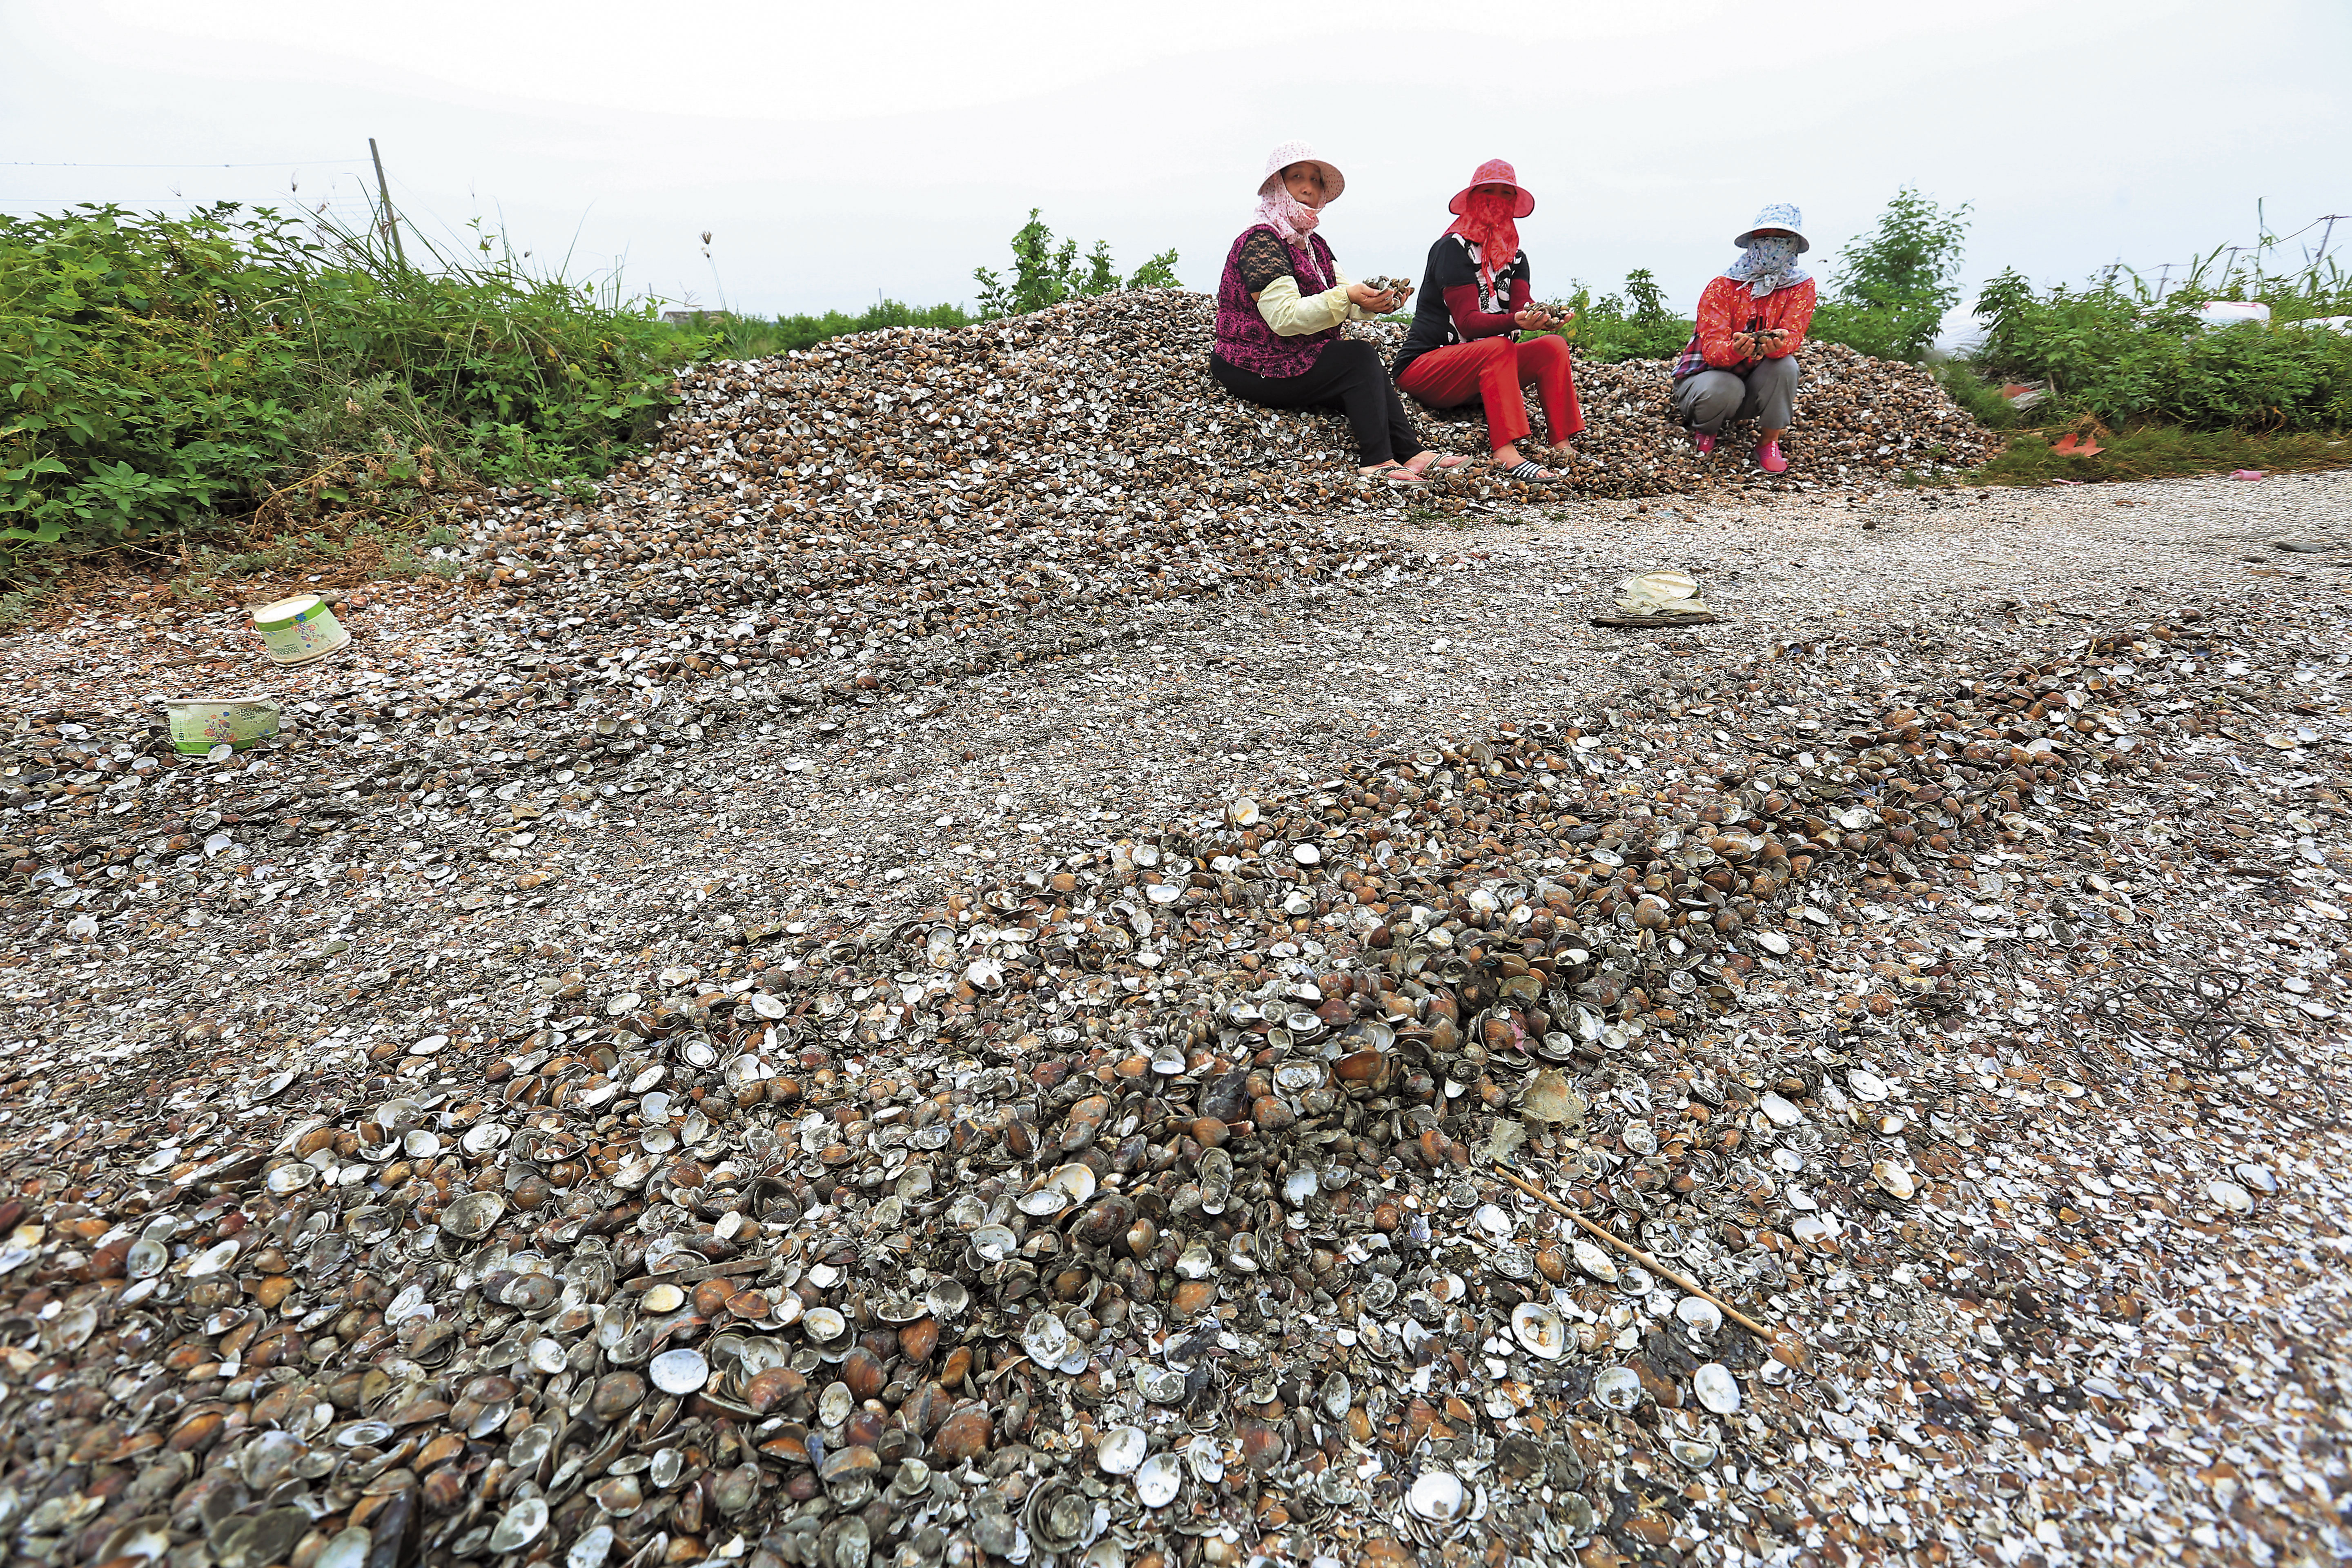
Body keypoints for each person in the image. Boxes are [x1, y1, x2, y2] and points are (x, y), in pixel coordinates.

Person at [1209, 142, 1465, 485]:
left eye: (1315, 181)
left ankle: (1411, 453)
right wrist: (1348, 297)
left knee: (1359, 359)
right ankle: (1377, 461)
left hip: (1293, 353)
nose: (1308, 188)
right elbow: (1284, 318)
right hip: (1251, 363)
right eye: (1296, 177)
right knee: (1356, 357)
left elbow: (1344, 294)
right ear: (1276, 186)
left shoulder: (1315, 245)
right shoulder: (1261, 242)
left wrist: (1378, 301)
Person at [1392, 158, 1581, 483]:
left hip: (1484, 372)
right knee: (1498, 346)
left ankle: (1561, 443)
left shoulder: (1516, 257)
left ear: (1513, 204)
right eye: (1488, 192)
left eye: (1505, 194)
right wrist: (1519, 323)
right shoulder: (1451, 249)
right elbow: (1468, 323)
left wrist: (1544, 318)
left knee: (1553, 346)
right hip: (1427, 368)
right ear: (1473, 198)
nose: (1496, 200)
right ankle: (1506, 452)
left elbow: (1521, 305)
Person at [1673, 204, 1817, 474]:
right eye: (1765, 239)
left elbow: (1793, 334)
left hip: (1754, 386)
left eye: (1781, 240)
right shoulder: (1723, 287)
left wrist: (1778, 345)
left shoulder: (1801, 286)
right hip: (1708, 381)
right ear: (1752, 243)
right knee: (1726, 385)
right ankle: (1706, 432)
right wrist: (1738, 349)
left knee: (1786, 366)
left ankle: (1769, 442)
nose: (1772, 246)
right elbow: (1714, 351)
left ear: (1794, 245)